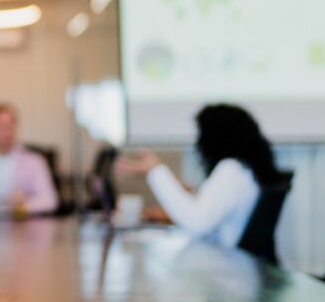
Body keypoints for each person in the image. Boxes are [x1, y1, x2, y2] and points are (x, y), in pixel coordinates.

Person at [116, 104, 282, 248]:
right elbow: (210, 208)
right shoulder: (243, 169)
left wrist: (155, 171)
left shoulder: (231, 169)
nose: (198, 142)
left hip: (224, 268)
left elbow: (197, 222)